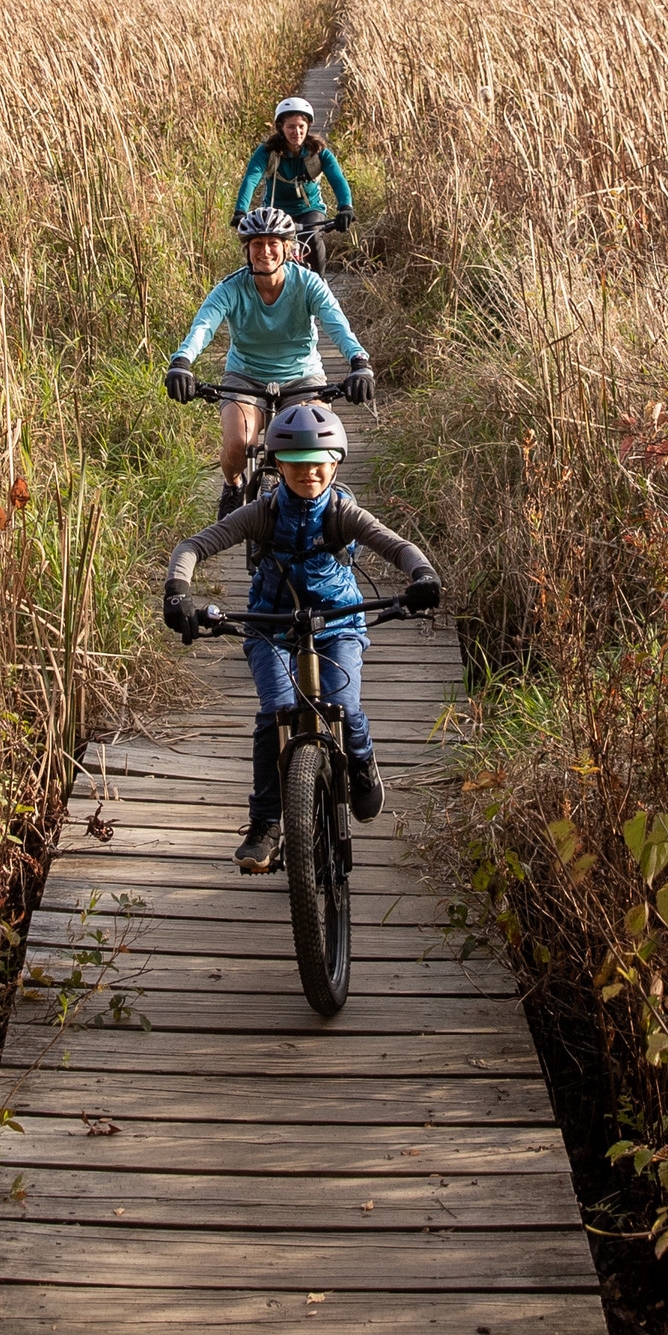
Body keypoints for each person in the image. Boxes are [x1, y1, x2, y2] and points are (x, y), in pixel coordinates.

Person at [161, 401, 441, 872]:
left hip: (338, 623)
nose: (308, 472)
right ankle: (266, 823)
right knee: (274, 712)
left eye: (318, 463)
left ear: (335, 464)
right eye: (295, 464)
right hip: (272, 623)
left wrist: (422, 575)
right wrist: (177, 593)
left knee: (345, 705)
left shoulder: (343, 513)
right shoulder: (262, 513)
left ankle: (361, 758)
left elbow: (396, 545)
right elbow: (194, 545)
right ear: (278, 465)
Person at [166, 208, 375, 509]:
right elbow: (203, 327)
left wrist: (359, 363)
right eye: (257, 244)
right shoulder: (230, 288)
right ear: (247, 250)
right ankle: (232, 486)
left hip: (302, 378)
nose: (265, 251)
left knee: (316, 446)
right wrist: (181, 363)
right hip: (245, 376)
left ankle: (325, 517)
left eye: (273, 243)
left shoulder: (308, 284)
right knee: (239, 444)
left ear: (287, 248)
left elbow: (337, 324)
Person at [231, 96, 356, 250]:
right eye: (290, 126)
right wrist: (240, 211)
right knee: (273, 248)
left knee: (313, 239)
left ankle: (318, 275)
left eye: (301, 126)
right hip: (275, 211)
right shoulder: (267, 151)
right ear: (280, 127)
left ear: (308, 126)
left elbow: (338, 180)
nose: (296, 132)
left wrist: (346, 208)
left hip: (310, 209)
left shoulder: (319, 152)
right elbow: (251, 179)